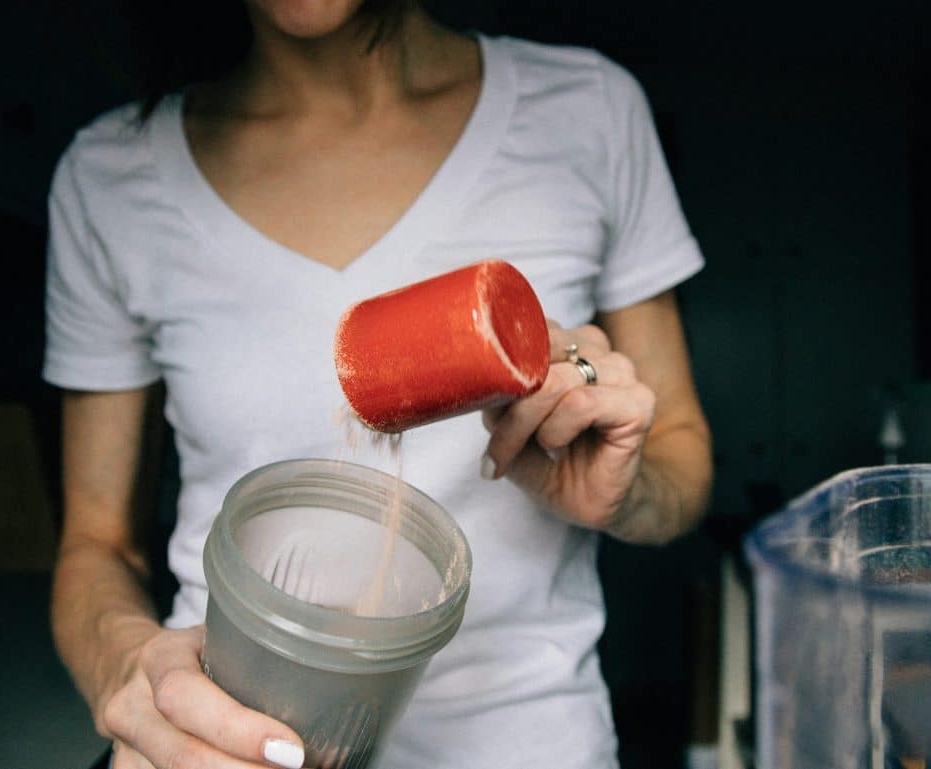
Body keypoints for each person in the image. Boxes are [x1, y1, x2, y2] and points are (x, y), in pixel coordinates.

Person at [43, 1, 713, 767]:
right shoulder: (109, 178)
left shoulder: (590, 112)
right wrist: (132, 667)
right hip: (229, 742)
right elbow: (95, 544)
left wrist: (625, 489)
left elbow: (682, 460)